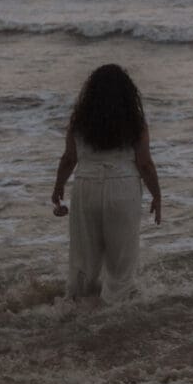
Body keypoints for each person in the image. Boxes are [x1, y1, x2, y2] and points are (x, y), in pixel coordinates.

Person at [52, 64, 161, 301]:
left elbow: (69, 158)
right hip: (123, 188)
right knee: (122, 264)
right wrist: (157, 196)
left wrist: (58, 186)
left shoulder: (78, 122)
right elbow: (145, 164)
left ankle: (77, 306)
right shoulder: (135, 123)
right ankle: (114, 317)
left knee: (84, 258)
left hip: (86, 187)